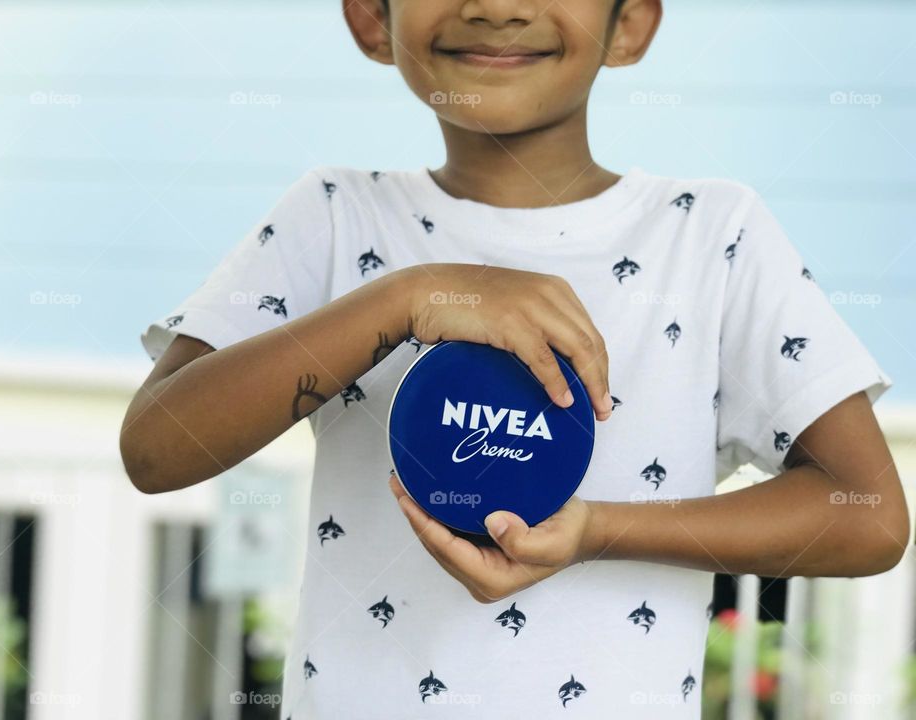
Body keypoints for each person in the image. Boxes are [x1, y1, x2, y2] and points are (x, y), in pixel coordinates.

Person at [120, 0, 910, 717]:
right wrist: (409, 297)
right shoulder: (333, 216)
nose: (496, 8)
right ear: (372, 19)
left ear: (630, 24)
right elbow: (157, 448)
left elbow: (869, 515)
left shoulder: (714, 237)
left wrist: (597, 530)